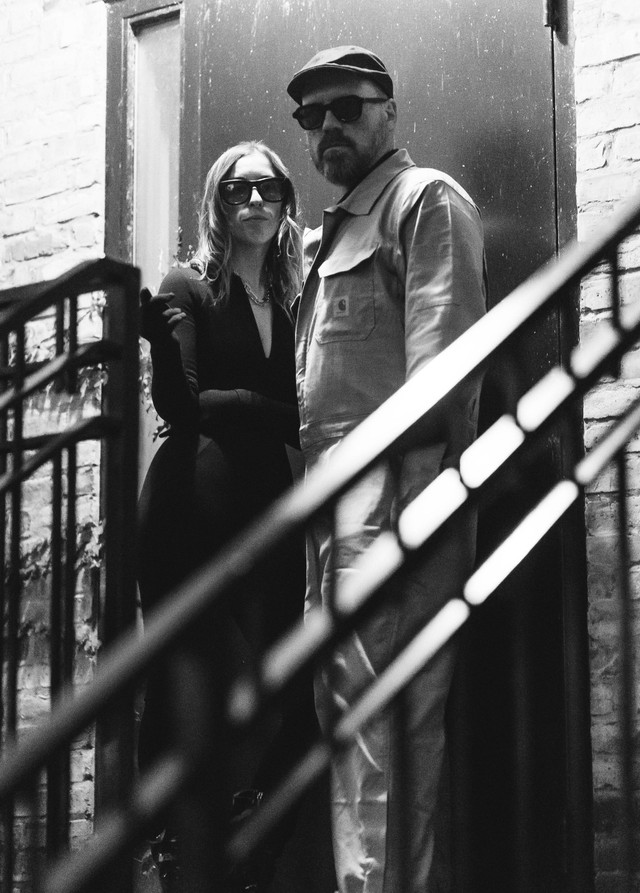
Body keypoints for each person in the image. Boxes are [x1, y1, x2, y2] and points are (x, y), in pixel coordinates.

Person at [286, 46, 488, 892]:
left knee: (385, 740)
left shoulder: (422, 200)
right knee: (353, 737)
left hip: (395, 504)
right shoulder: (330, 235)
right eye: (312, 116)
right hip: (334, 515)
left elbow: (440, 379)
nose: (329, 126)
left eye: (348, 108)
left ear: (390, 111)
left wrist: (407, 517)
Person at [136, 140, 313, 892]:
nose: (255, 202)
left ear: (287, 199)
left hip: (267, 500)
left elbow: (311, 413)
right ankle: (172, 850)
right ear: (218, 202)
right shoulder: (190, 284)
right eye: (238, 190)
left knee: (300, 682)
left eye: (268, 188)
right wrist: (265, 409)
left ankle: (251, 833)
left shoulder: (297, 294)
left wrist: (245, 408)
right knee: (180, 685)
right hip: (191, 500)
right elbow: (181, 405)